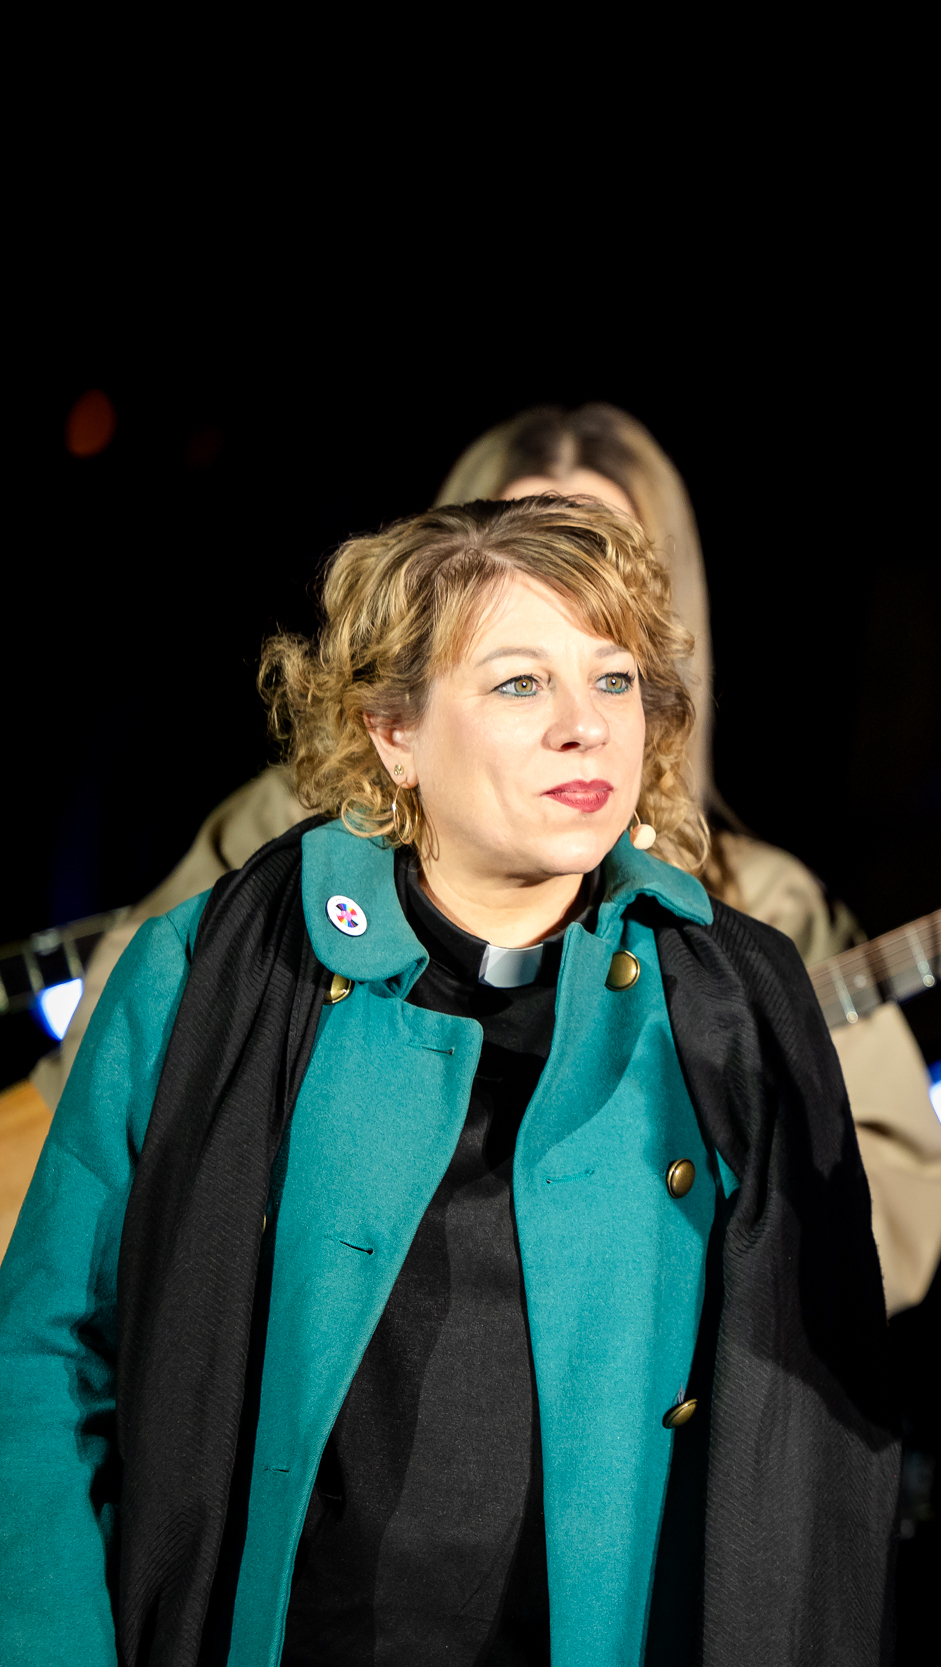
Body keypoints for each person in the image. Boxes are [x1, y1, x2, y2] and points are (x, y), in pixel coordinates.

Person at [0, 497, 895, 1665]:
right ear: (395, 731)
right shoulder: (208, 970)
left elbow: (818, 1453)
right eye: (522, 683)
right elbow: (45, 1359)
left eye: (614, 679)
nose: (586, 727)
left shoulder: (740, 999)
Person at [10, 405, 941, 1312]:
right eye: (520, 546)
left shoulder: (757, 912)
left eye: (599, 562)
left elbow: (879, 1202)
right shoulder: (284, 851)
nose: (556, 588)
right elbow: (103, 1112)